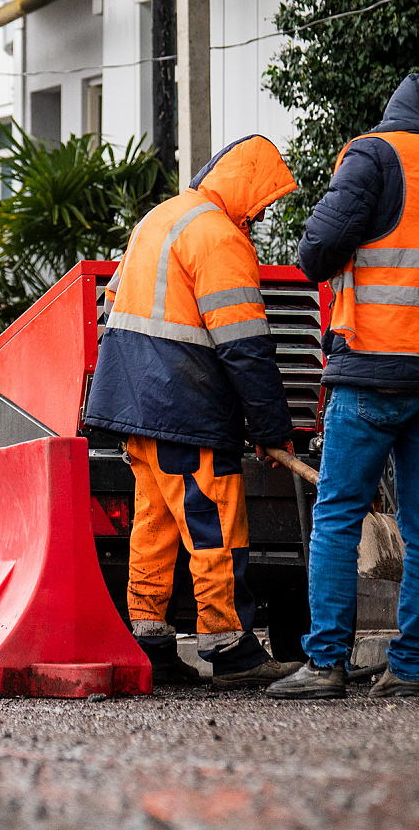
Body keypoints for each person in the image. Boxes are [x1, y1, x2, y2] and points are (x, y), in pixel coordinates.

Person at [270, 74, 419, 701]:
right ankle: (411, 666)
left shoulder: (377, 154)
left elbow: (315, 251)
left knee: (339, 514)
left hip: (375, 365)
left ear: (395, 111)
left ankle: (326, 662)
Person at [82, 134, 303, 690]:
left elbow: (111, 306)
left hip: (135, 406)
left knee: (153, 529)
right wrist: (273, 426)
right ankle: (231, 650)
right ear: (247, 187)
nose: (262, 213)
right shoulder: (219, 237)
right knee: (214, 528)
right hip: (185, 409)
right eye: (263, 201)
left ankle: (151, 645)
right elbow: (246, 345)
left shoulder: (160, 218)